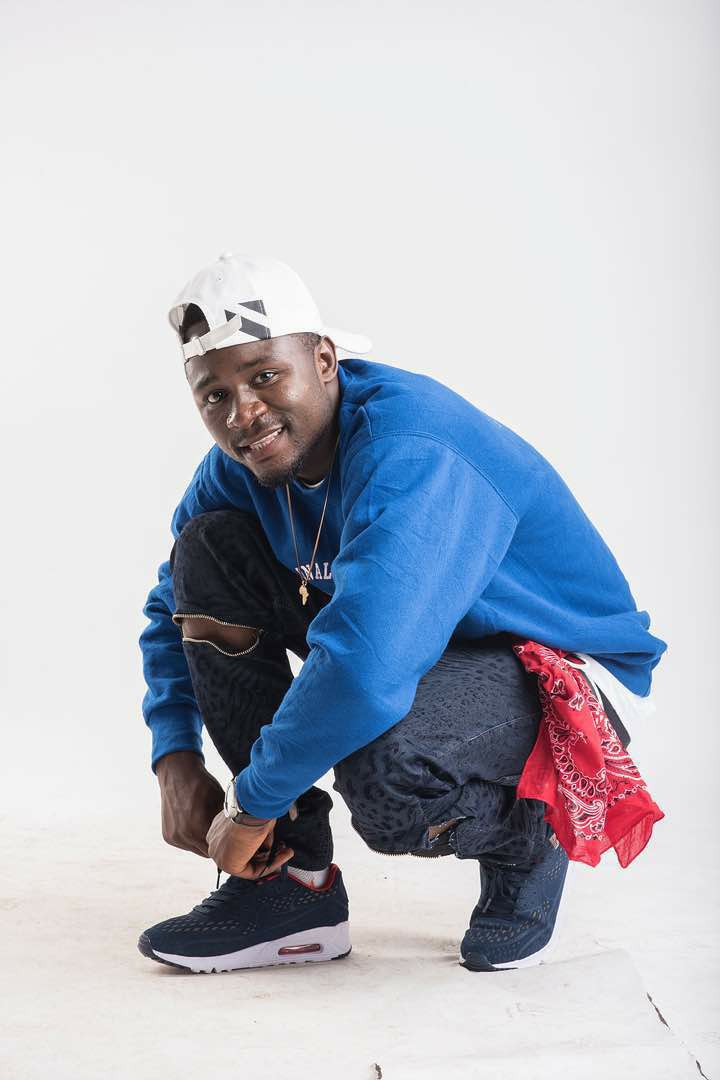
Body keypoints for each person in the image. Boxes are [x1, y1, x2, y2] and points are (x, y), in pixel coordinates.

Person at [137, 253, 666, 974]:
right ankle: (294, 884)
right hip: (410, 644)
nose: (243, 414)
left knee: (383, 774)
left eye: (264, 376)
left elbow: (364, 671)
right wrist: (173, 755)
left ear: (324, 360)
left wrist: (250, 806)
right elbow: (175, 600)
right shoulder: (240, 466)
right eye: (215, 395)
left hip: (541, 668)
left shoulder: (413, 448)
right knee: (207, 550)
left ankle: (528, 829)